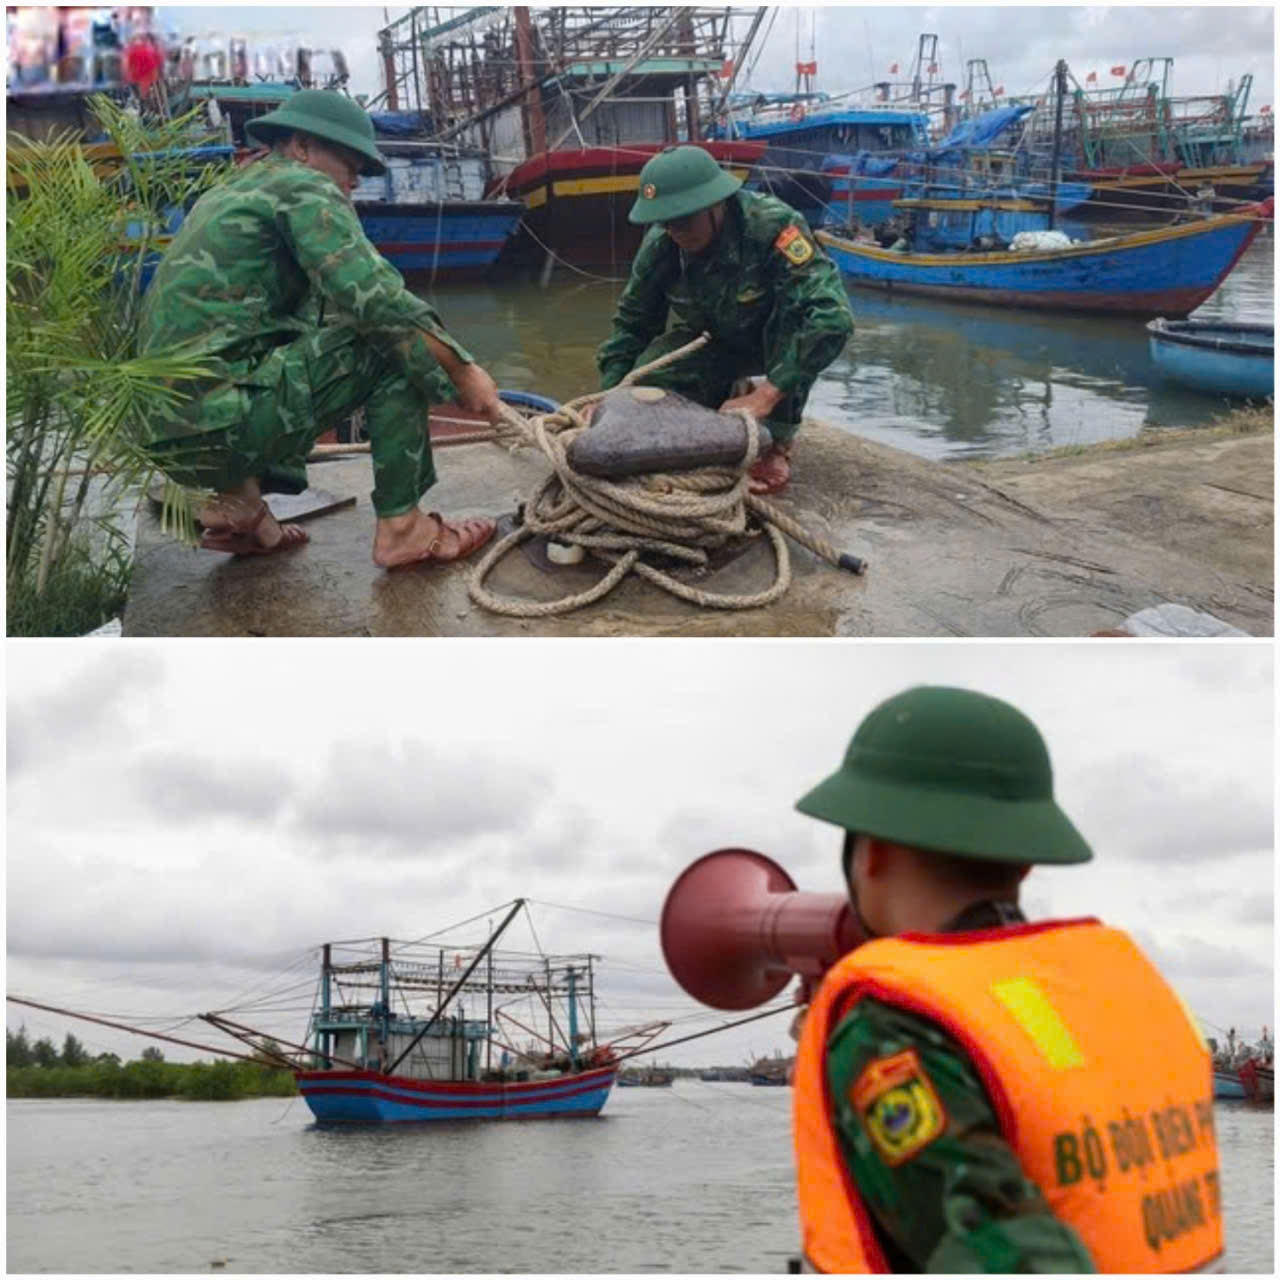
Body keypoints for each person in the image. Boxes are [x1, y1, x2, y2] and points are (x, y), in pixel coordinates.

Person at [789, 686, 1223, 1273]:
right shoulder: (1118, 982)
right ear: (1025, 859)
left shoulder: (889, 1026)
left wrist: (848, 1049)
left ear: (872, 852)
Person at [138, 89, 501, 568]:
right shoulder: (302, 185)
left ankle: (240, 506)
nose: (353, 182)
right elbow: (379, 302)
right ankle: (404, 530)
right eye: (350, 165)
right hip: (220, 426)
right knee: (392, 341)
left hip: (169, 435)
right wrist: (462, 371)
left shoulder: (233, 190)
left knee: (299, 328)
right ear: (303, 147)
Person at [595, 145, 854, 496]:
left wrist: (766, 396)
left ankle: (778, 444)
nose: (676, 231)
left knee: (793, 319)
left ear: (715, 205)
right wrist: (609, 402)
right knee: (646, 384)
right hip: (715, 339)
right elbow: (632, 324)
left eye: (684, 219)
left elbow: (832, 318)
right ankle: (721, 403)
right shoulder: (663, 246)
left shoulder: (772, 227)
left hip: (775, 341)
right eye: (666, 221)